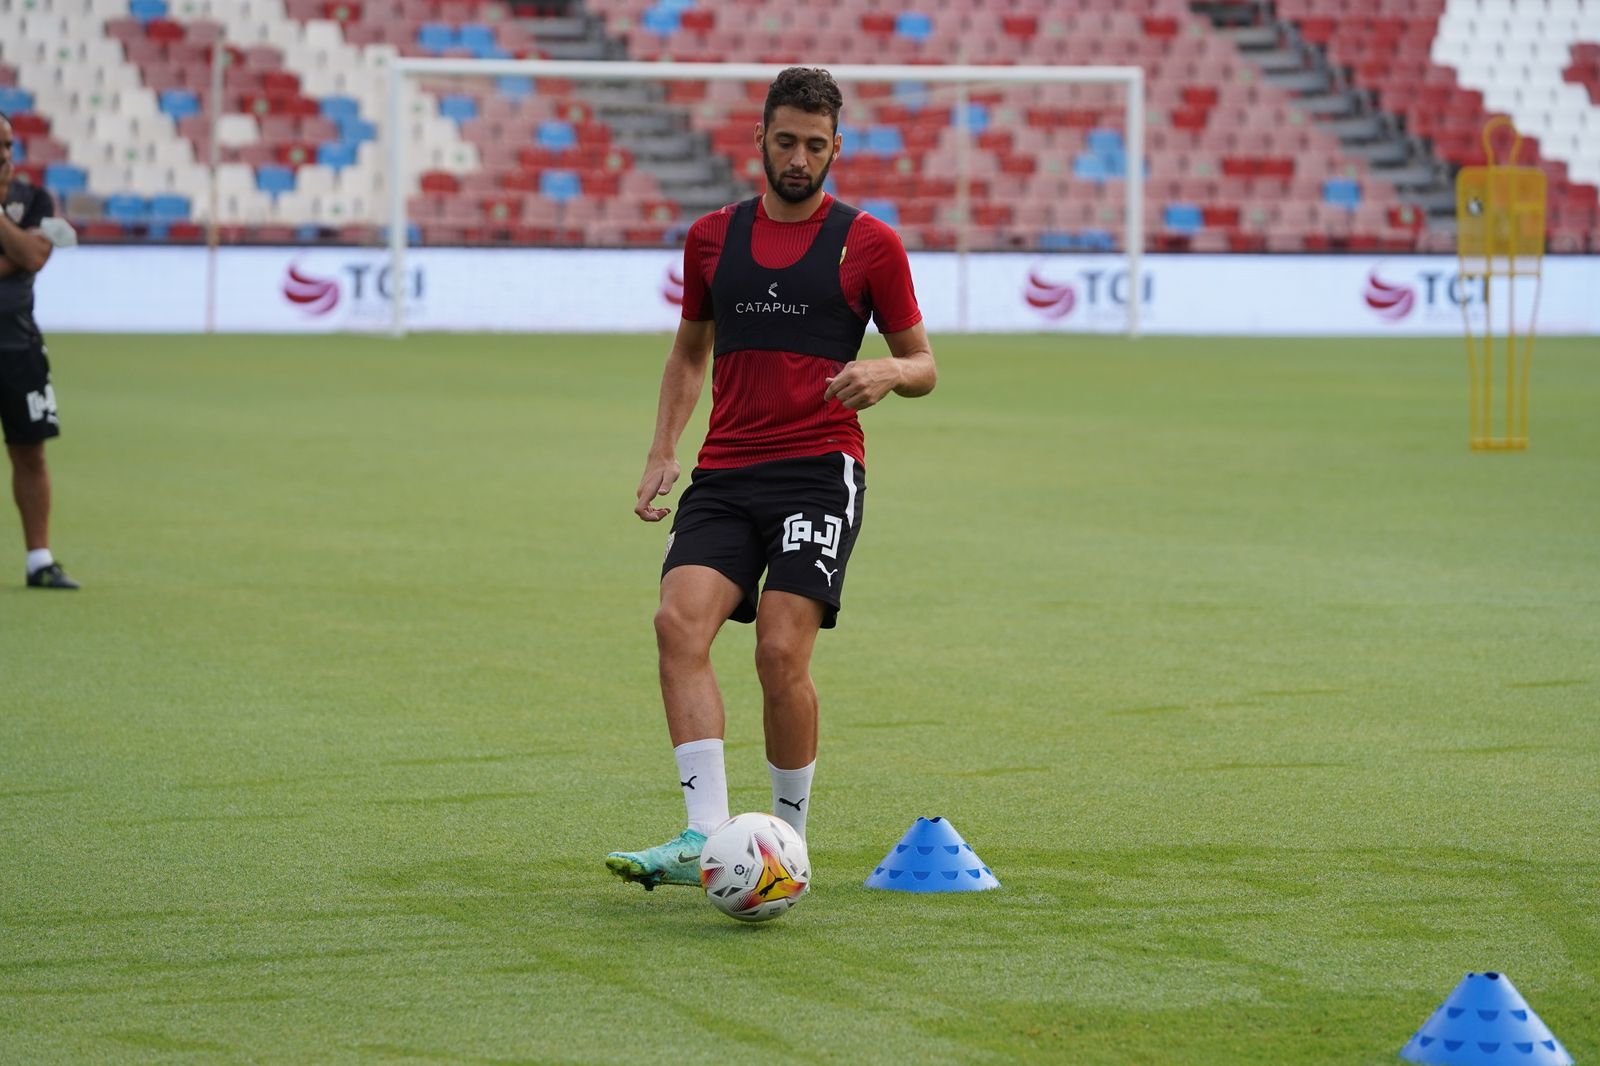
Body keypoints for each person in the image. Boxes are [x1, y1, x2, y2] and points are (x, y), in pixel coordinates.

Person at [606, 67, 936, 890]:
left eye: (815, 146)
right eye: (784, 141)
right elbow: (689, 353)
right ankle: (702, 835)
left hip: (820, 470)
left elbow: (925, 363)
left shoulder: (870, 244)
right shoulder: (713, 236)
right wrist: (661, 449)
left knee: (779, 653)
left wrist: (886, 374)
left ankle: (786, 844)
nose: (798, 158)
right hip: (725, 471)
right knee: (676, 625)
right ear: (758, 138)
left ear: (836, 148)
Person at [0, 112, 76, 589]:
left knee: (30, 452)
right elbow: (23, 254)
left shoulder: (36, 198)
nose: (5, 156)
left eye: (8, 146)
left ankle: (39, 560)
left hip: (18, 347)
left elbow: (32, 257)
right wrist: (18, 245)